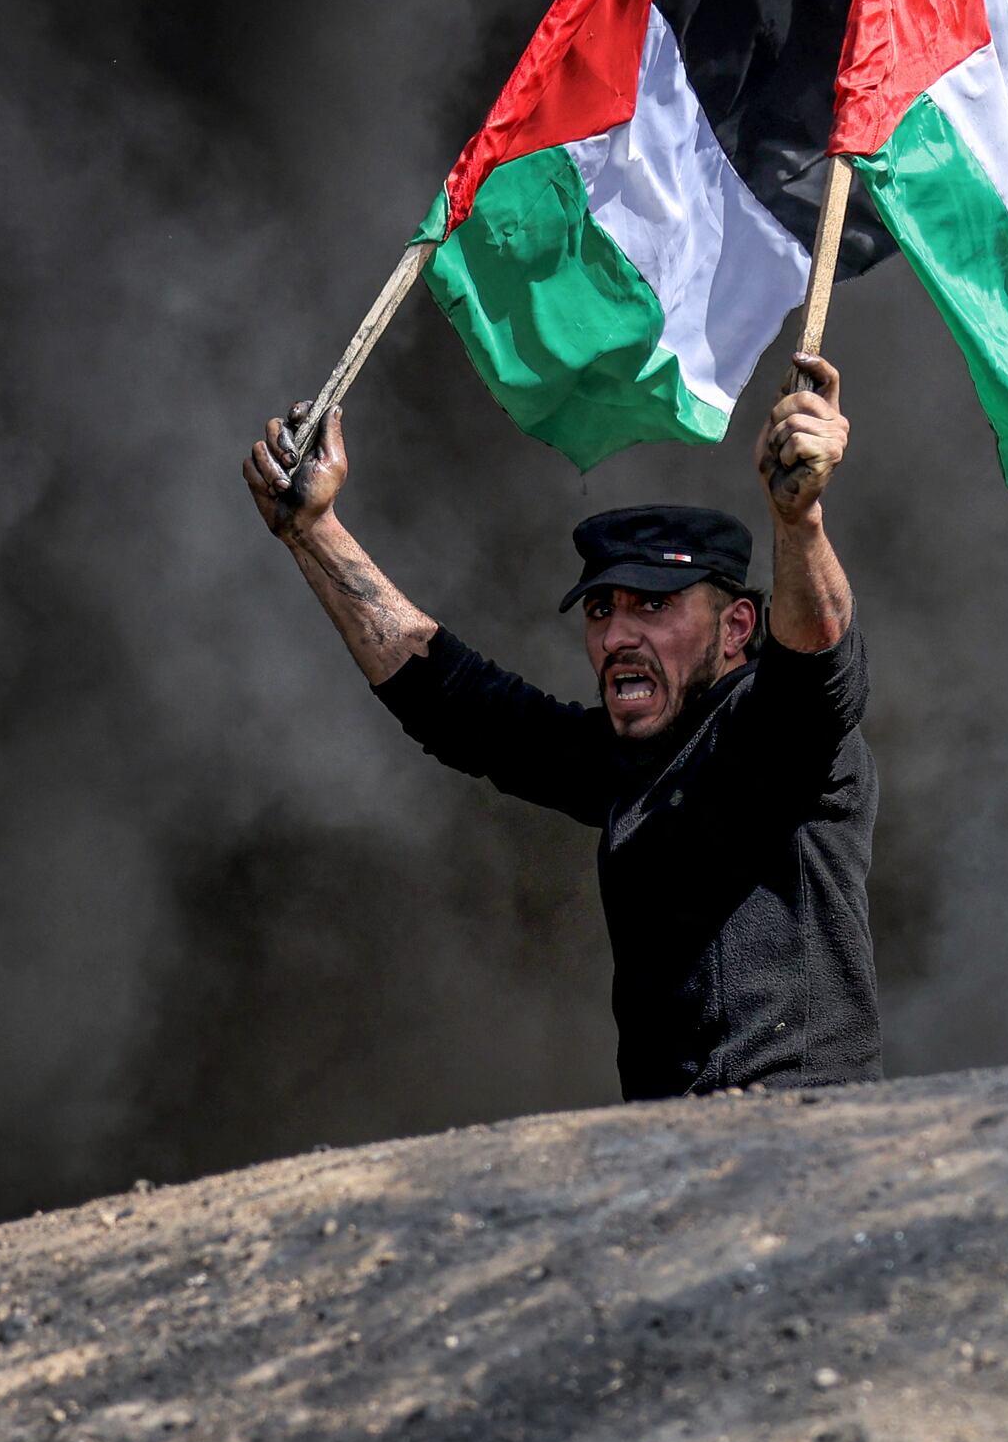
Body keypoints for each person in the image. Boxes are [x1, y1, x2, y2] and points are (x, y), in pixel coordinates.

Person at [244, 362, 879, 1097]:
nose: (617, 636)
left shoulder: (776, 732)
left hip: (806, 1136)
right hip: (676, 1148)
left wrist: (799, 522)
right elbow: (459, 705)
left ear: (737, 626)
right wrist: (313, 531)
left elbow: (820, 666)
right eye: (602, 610)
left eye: (653, 605)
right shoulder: (630, 760)